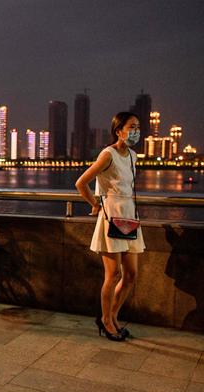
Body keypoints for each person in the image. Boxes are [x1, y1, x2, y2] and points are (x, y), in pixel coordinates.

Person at [75, 112, 145, 342]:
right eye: (131, 126)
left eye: (137, 127)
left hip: (129, 215)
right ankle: (106, 321)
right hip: (111, 215)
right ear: (119, 130)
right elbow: (81, 183)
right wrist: (95, 204)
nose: (135, 131)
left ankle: (112, 315)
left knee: (131, 275)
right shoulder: (108, 154)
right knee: (113, 274)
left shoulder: (134, 156)